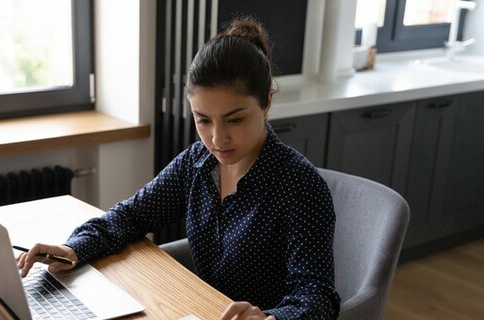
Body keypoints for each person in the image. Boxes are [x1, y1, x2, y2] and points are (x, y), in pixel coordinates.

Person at [17, 16, 340, 320]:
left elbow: (317, 295)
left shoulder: (299, 185)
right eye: (203, 120)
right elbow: (131, 215)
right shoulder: (196, 163)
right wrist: (71, 249)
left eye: (235, 119)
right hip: (198, 308)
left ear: (267, 101)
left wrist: (271, 318)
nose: (217, 139)